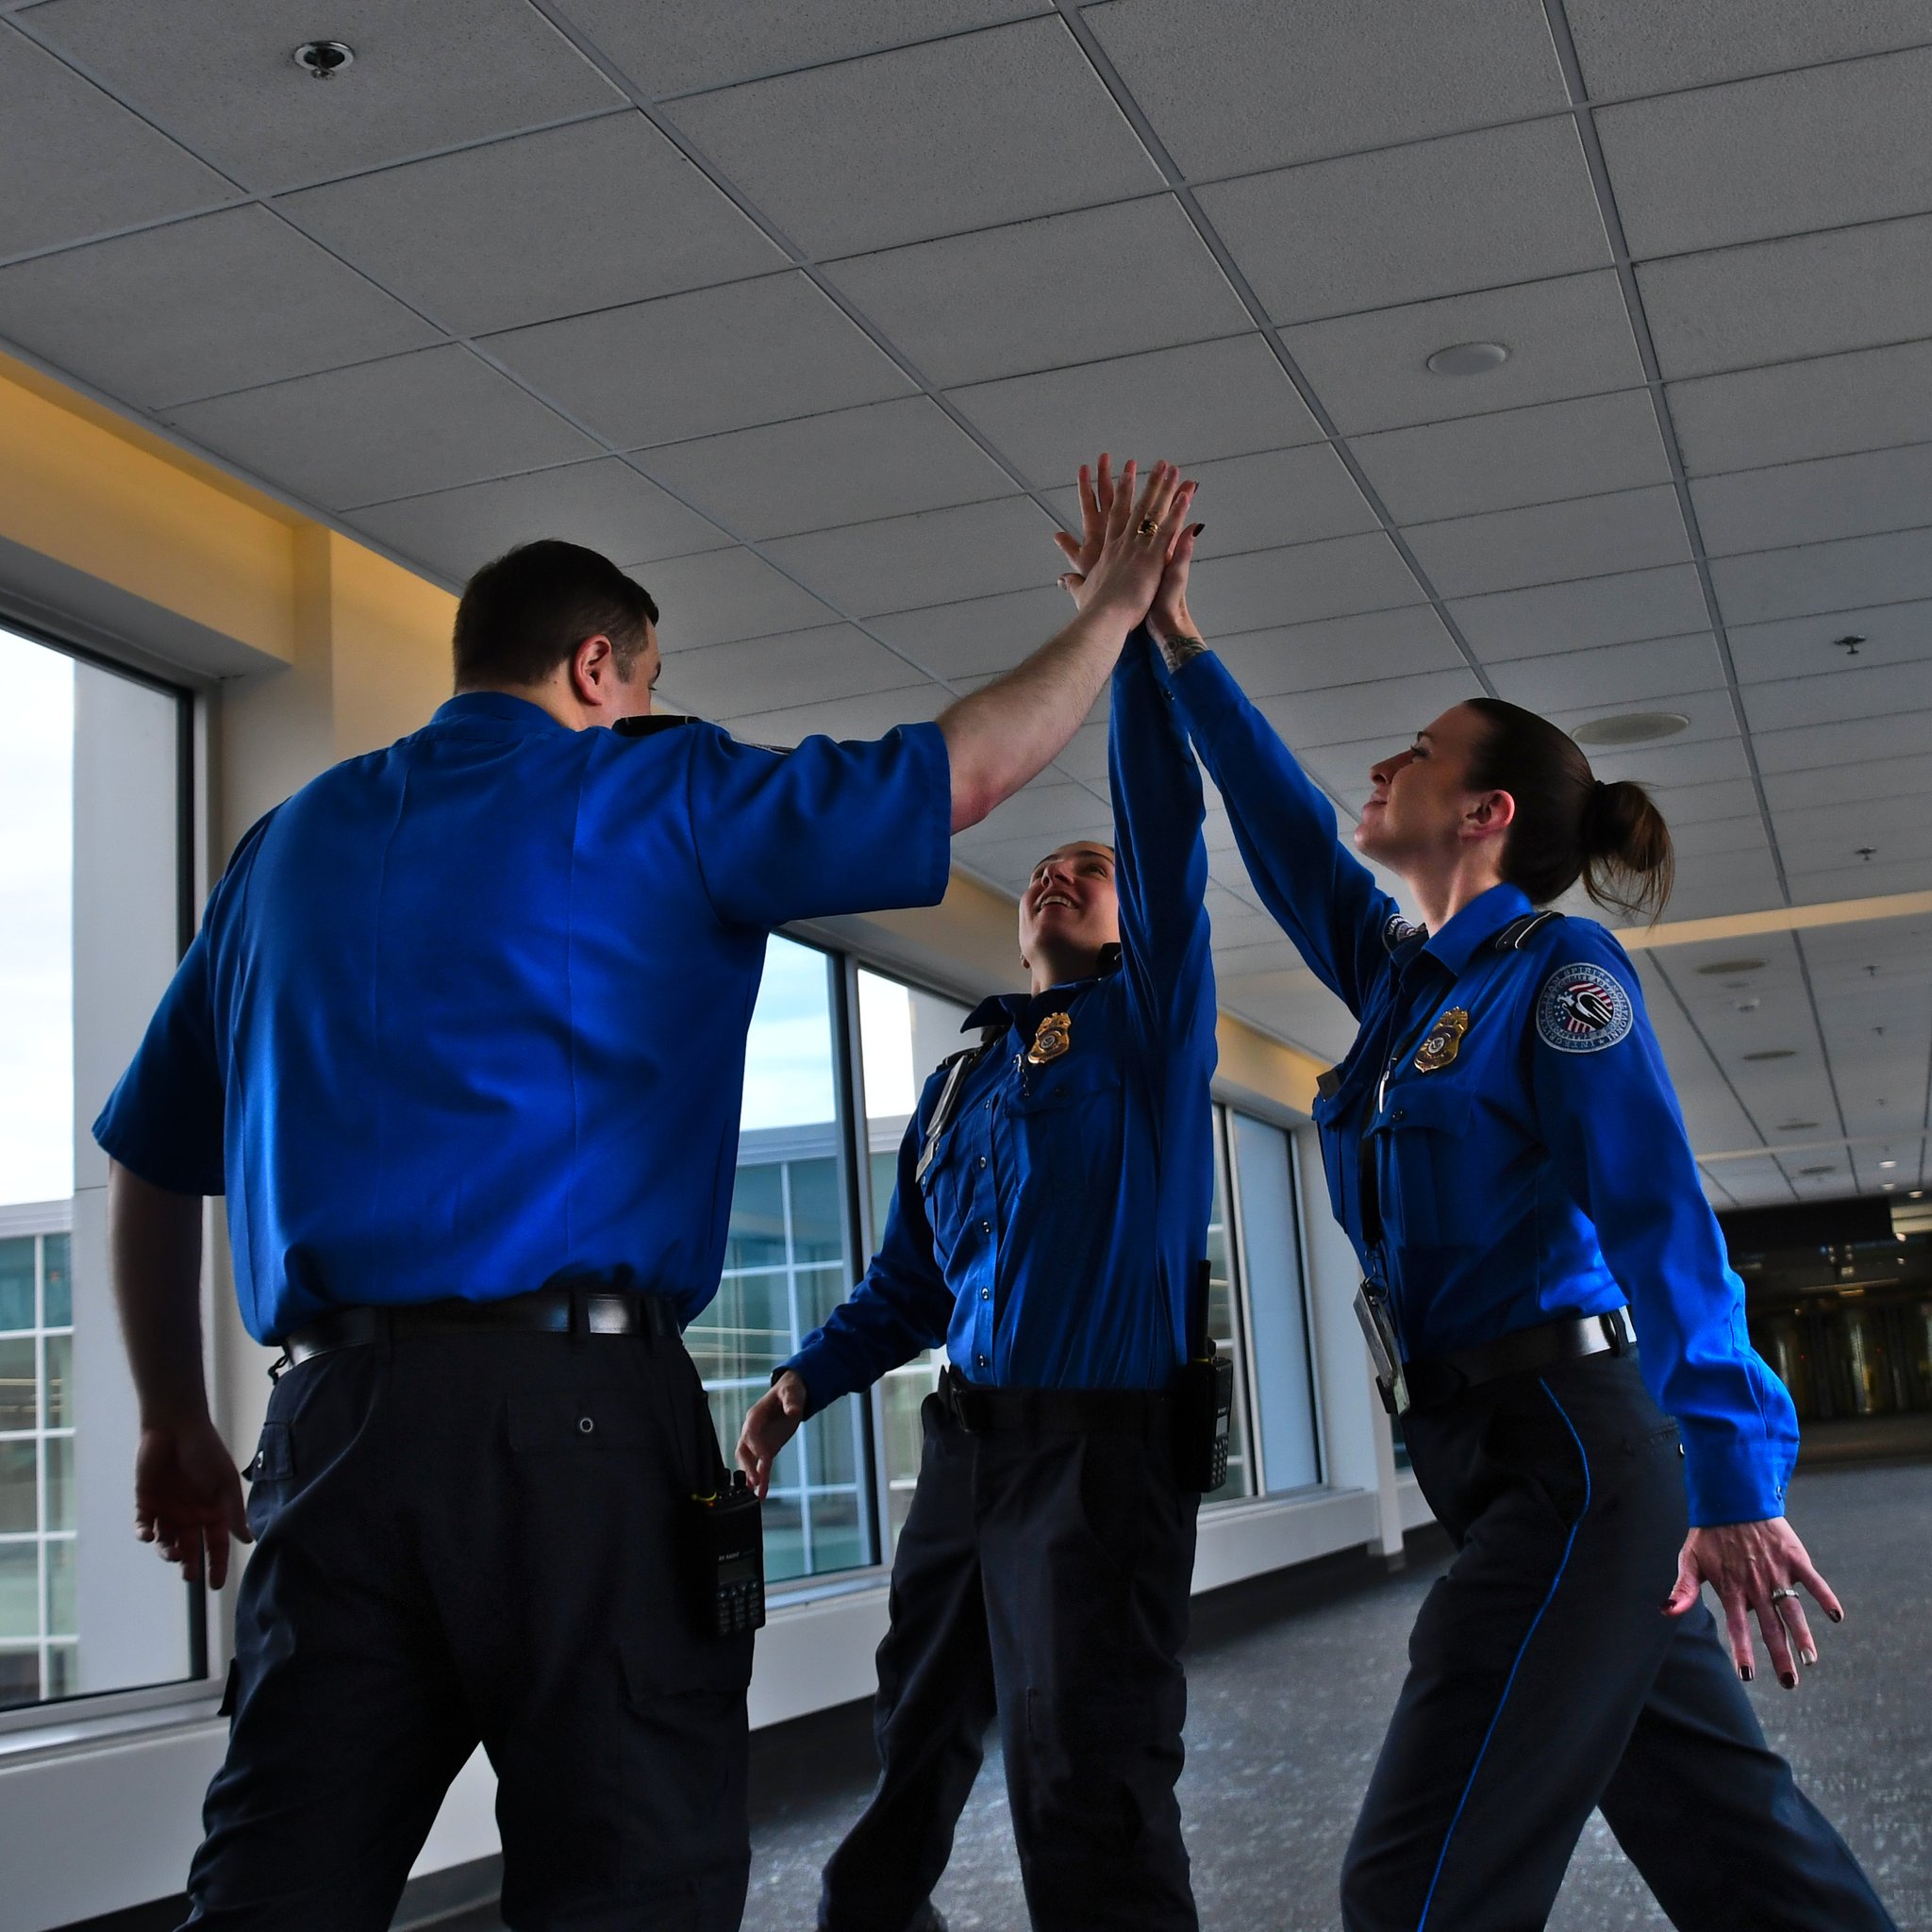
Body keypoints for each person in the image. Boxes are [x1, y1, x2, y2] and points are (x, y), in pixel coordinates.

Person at [94, 462, 1194, 1932]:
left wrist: (173, 1413)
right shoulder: (653, 787)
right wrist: (1120, 608)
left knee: (275, 1890)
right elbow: (961, 771)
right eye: (639, 679)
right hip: (581, 1433)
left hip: (330, 1437)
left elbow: (156, 1158)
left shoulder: (282, 846)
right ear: (595, 667)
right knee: (633, 1887)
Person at [1137, 525, 1897, 1931]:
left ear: (1484, 813)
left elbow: (1659, 1218)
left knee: (1419, 1888)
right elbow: (1293, 832)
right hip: (1494, 1461)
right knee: (1731, 1841)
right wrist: (1177, 646)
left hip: (1572, 1460)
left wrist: (1732, 1470)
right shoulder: (1407, 989)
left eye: (1416, 754)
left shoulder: (1559, 972)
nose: (1380, 767)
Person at [736, 459, 1216, 1932]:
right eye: (1046, 871)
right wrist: (801, 1385)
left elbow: (1167, 834)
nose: (1066, 876)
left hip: (1102, 1455)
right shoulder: (957, 1086)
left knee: (1086, 1769)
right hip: (968, 1442)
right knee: (917, 1733)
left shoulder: (1149, 1032)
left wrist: (1127, 636)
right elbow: (911, 1289)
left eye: (1095, 868)